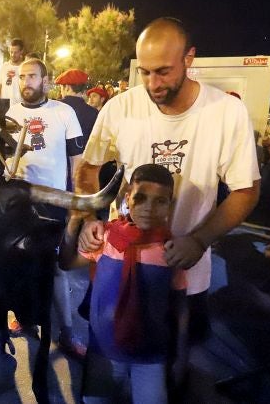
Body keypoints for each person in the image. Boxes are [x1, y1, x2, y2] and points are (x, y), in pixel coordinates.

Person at [75, 18, 260, 344]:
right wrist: (90, 218)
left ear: (189, 58)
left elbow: (246, 190)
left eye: (163, 71)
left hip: (185, 270)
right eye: (145, 72)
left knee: (175, 361)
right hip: (122, 264)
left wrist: (199, 240)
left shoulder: (227, 112)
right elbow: (88, 170)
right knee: (108, 357)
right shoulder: (120, 108)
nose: (152, 83)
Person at [71, 164, 187, 404]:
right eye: (141, 198)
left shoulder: (173, 250)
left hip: (151, 354)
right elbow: (67, 263)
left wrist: (180, 355)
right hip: (104, 350)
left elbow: (180, 306)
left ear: (170, 204)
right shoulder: (105, 236)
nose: (148, 209)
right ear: (127, 199)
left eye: (160, 201)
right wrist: (75, 224)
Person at [6, 58, 88, 358]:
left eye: (33, 76)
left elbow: (77, 162)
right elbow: (3, 157)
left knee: (56, 269)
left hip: (53, 204)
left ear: (46, 81)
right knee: (18, 264)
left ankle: (66, 333)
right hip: (18, 203)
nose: (26, 81)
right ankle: (24, 319)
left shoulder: (64, 113)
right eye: (22, 76)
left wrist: (78, 206)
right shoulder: (11, 114)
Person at [55, 68, 98, 139]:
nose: (61, 91)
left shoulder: (55, 107)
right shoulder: (93, 112)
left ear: (67, 88)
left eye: (61, 88)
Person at [0, 38, 25, 106]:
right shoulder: (4, 67)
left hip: (19, 106)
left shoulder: (24, 68)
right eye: (11, 52)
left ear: (21, 51)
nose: (13, 55)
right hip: (3, 106)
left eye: (16, 52)